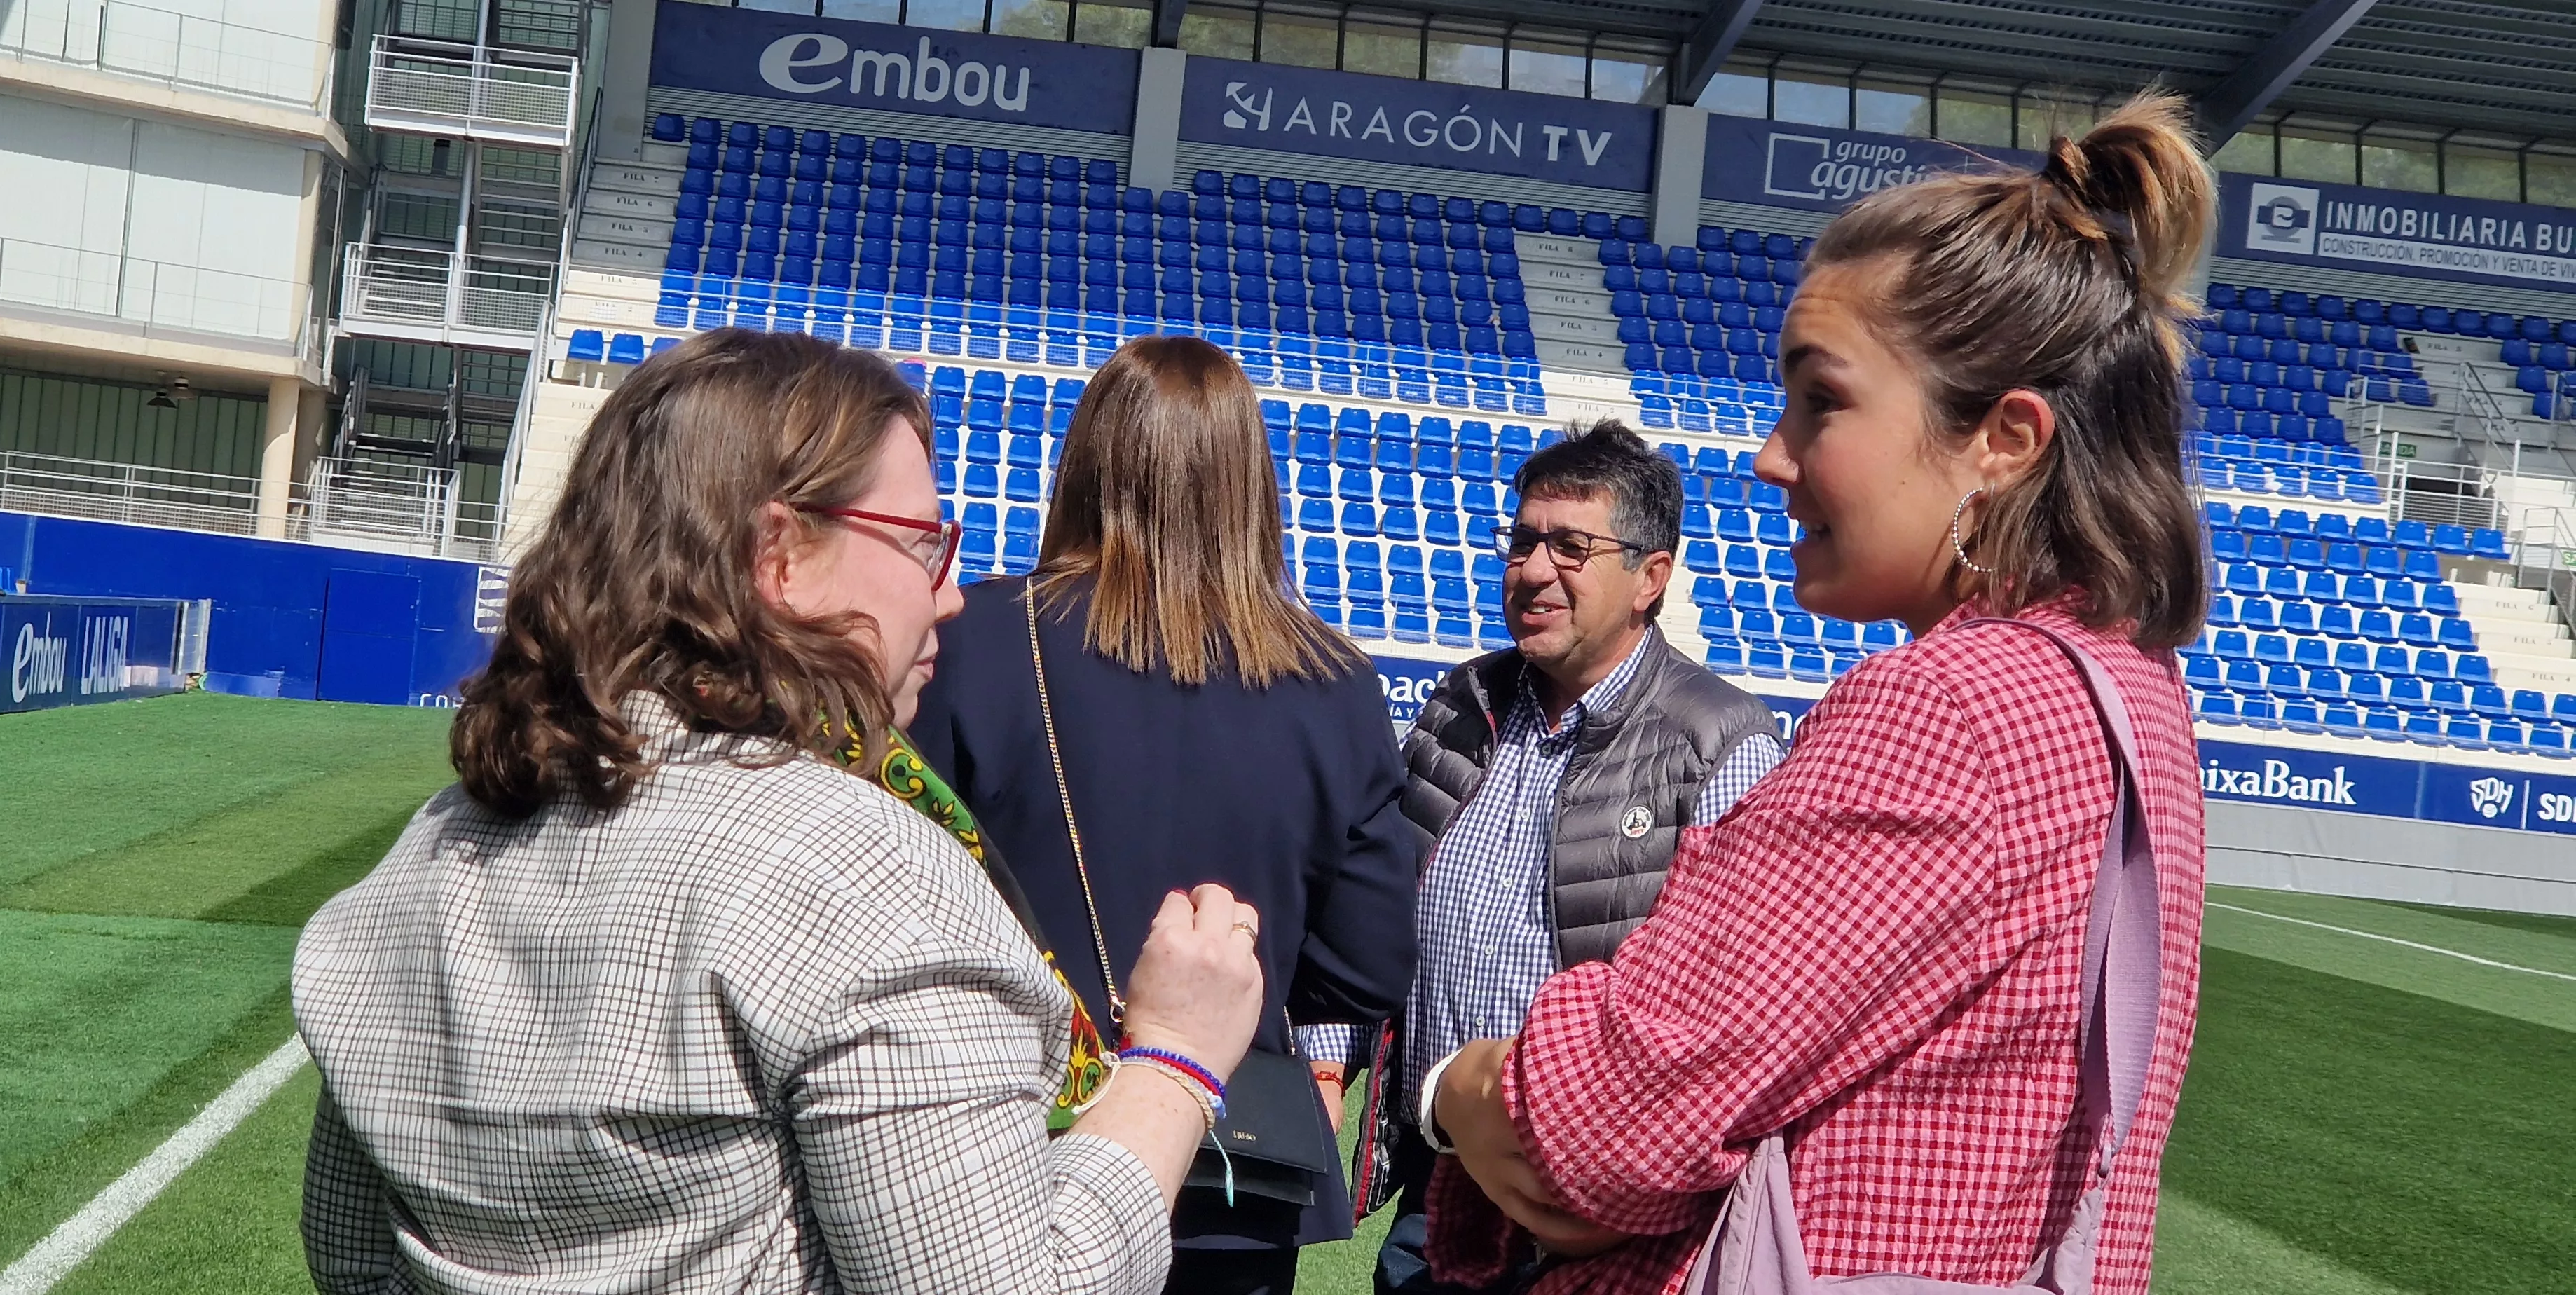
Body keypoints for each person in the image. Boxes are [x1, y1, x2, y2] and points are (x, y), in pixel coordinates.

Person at [1419, 92, 2215, 1295]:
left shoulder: (1949, 708)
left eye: (1822, 400)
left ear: (2004, 438)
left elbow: (1595, 1126)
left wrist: (1456, 1086)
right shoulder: (2129, 690)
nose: (1770, 453)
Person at [294, 327, 1267, 1295]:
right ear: (782, 552)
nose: (952, 597)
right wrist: (1173, 1062)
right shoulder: (858, 871)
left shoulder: (435, 844)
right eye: (924, 545)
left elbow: (347, 1248)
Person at [910, 335, 1423, 1295]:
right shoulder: (1337, 684)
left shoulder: (971, 639)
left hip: (1003, 1134)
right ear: (1252, 485)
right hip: (1232, 1162)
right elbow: (1367, 965)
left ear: (1087, 465)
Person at [1332, 423, 1784, 1295]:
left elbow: (1726, 1001)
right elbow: (1367, 900)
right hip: (1437, 1184)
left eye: (1571, 547)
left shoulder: (1719, 745)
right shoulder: (1458, 706)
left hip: (1592, 1207)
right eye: (1524, 541)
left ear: (1650, 578)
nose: (1534, 571)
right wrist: (1326, 1061)